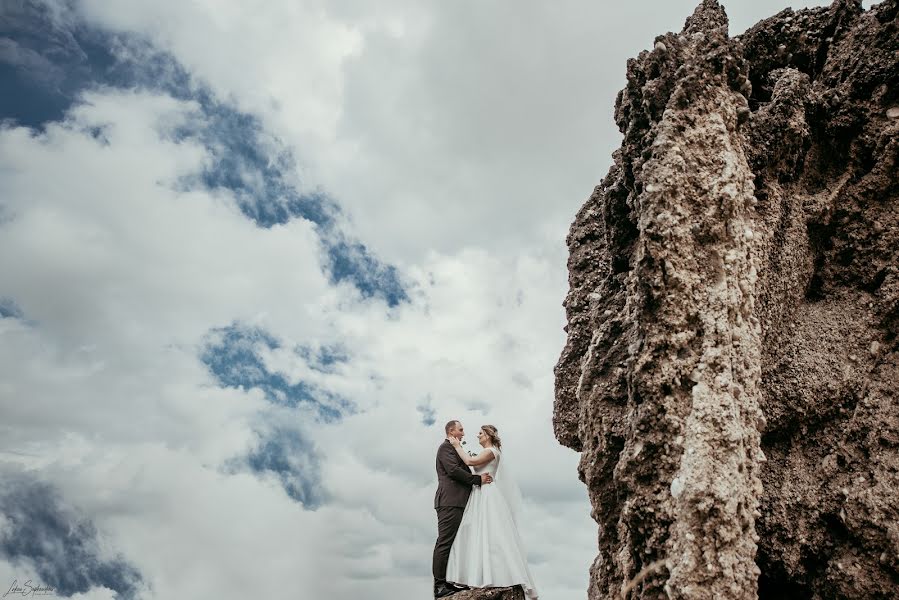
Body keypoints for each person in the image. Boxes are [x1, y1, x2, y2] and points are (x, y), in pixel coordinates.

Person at [445, 424, 538, 599]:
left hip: (488, 494)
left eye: (480, 433)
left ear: (488, 435)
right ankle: (478, 573)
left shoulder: (492, 452)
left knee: (492, 531)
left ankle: (497, 573)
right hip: (479, 493)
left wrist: (457, 446)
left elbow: (471, 462)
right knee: (476, 530)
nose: (477, 436)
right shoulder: (485, 451)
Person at [433, 420, 493, 598]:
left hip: (458, 502)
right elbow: (452, 470)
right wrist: (477, 480)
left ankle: (448, 580)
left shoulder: (456, 448)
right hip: (450, 501)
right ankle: (439, 586)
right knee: (444, 542)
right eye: (461, 430)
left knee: (453, 542)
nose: (464, 433)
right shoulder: (445, 448)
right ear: (451, 432)